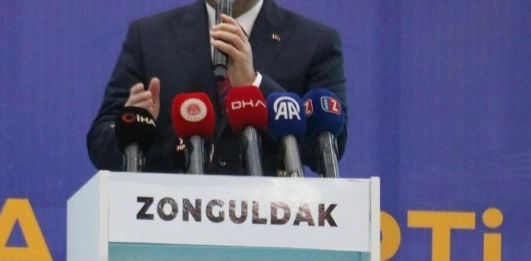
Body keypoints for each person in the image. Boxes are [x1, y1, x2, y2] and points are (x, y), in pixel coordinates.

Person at [86, 0, 347, 175]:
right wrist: (135, 129)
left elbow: (331, 146)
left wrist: (255, 84)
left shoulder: (315, 42)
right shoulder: (150, 36)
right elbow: (100, 143)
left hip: (271, 222)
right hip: (172, 223)